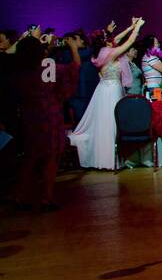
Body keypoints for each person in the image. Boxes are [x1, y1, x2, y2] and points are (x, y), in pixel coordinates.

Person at [10, 35, 80, 211]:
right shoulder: (47, 67)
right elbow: (74, 68)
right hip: (49, 114)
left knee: (30, 156)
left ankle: (18, 194)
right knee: (51, 156)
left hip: (30, 115)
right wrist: (73, 48)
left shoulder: (19, 69)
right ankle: (46, 197)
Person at [68, 17, 145, 170]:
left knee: (104, 123)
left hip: (102, 90)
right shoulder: (110, 53)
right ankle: (110, 160)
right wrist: (138, 27)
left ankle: (107, 157)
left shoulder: (100, 53)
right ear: (105, 41)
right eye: (109, 38)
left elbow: (117, 39)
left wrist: (130, 27)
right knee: (111, 123)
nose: (113, 40)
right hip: (112, 90)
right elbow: (128, 43)